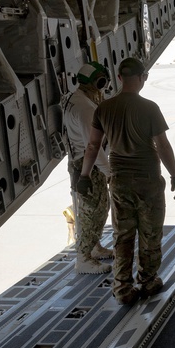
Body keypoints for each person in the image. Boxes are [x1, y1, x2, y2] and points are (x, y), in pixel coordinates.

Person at [78, 57, 175, 305]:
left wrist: (84, 175)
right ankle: (147, 281)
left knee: (123, 236)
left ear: (119, 78)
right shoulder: (149, 108)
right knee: (150, 234)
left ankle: (123, 288)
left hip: (120, 181)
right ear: (142, 78)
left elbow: (93, 145)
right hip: (147, 180)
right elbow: (162, 145)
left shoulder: (104, 108)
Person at [64, 62, 113, 274]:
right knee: (96, 210)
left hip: (80, 161)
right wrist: (108, 171)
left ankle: (93, 247)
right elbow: (92, 145)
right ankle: (83, 258)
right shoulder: (86, 108)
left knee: (90, 209)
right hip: (88, 165)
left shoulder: (75, 99)